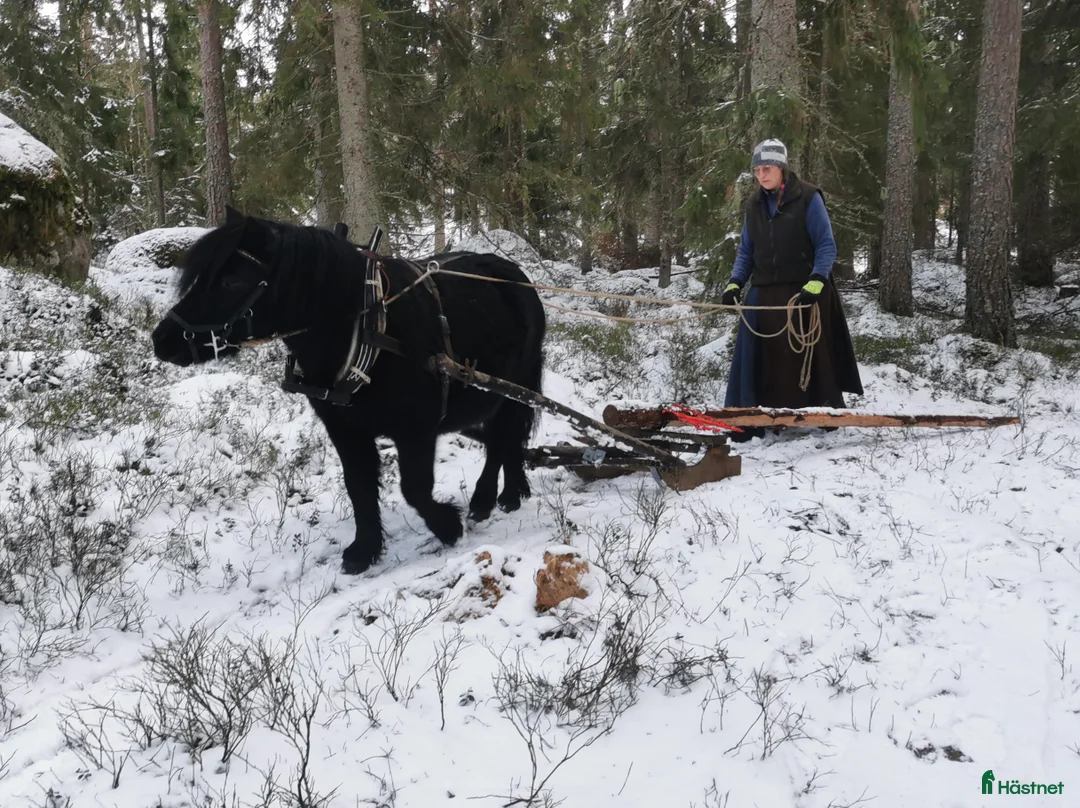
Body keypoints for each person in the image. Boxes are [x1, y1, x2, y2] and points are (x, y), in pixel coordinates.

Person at [720, 138, 863, 442]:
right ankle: (753, 418)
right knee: (756, 355)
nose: (762, 175)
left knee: (810, 357)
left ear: (782, 168)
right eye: (757, 170)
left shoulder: (809, 198)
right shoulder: (754, 205)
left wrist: (816, 281)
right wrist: (735, 282)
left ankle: (821, 414)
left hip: (803, 291)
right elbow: (746, 251)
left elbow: (826, 244)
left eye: (767, 168)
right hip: (763, 291)